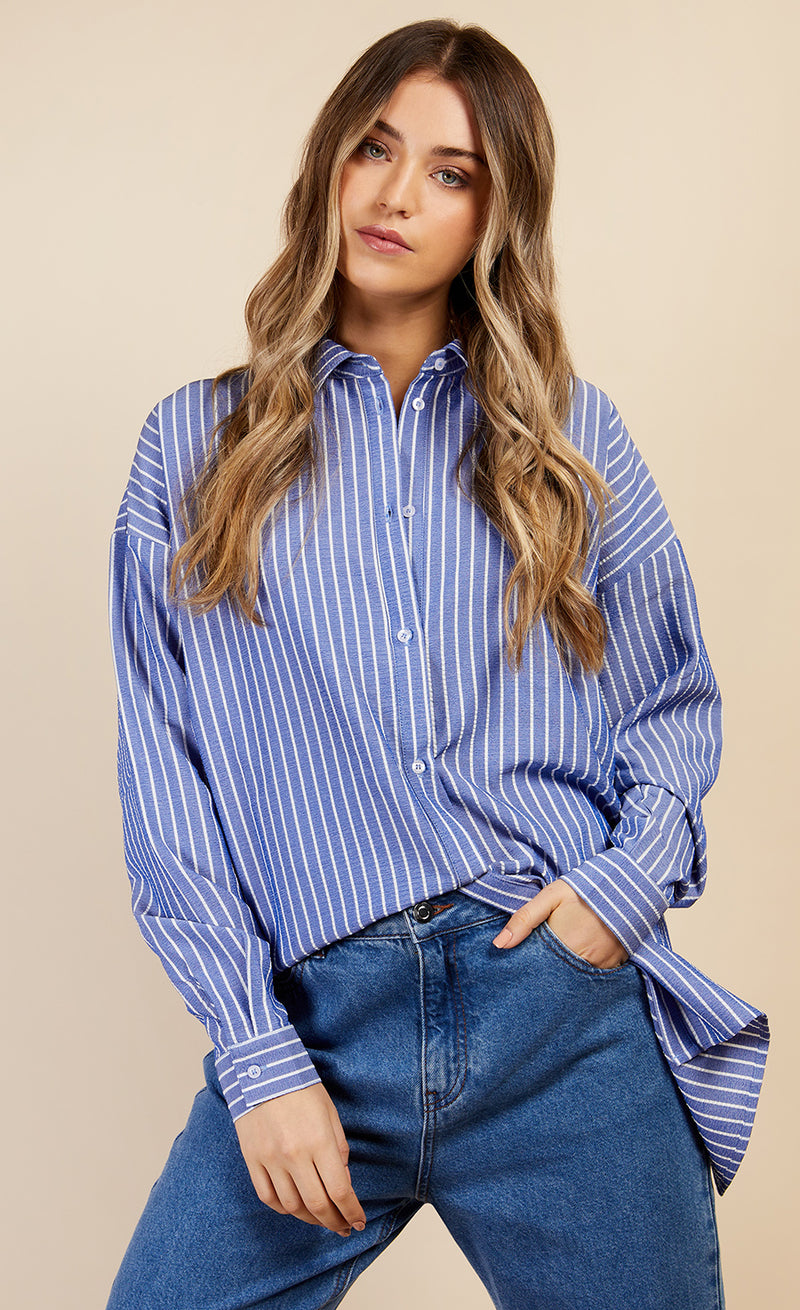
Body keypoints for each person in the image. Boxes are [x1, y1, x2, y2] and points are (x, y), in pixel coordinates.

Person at [105, 18, 769, 1310]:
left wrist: (620, 888)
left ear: (495, 216)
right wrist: (257, 1053)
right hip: (317, 1024)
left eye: (451, 172)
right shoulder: (193, 447)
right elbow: (165, 771)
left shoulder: (573, 438)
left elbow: (670, 700)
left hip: (555, 1014)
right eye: (374, 148)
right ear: (329, 164)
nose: (397, 194)